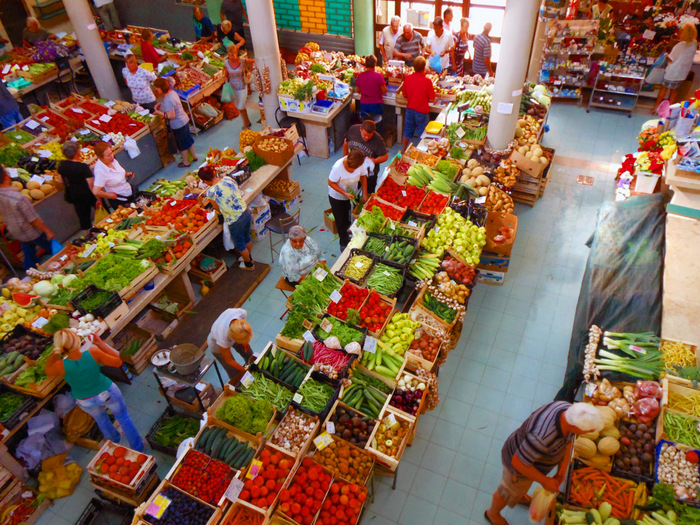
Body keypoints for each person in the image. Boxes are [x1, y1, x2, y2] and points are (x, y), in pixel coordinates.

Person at [485, 402, 605, 525]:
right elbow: (518, 463)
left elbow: (569, 439)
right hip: (517, 466)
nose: (589, 432)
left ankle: (519, 495)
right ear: (575, 427)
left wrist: (562, 467)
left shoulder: (568, 410)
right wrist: (544, 481)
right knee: (506, 492)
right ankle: (492, 514)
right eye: (588, 430)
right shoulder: (542, 438)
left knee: (518, 488)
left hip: (531, 459)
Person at [45, 329, 144, 452]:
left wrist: (56, 351)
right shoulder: (92, 352)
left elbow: (47, 370)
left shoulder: (60, 365)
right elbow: (117, 362)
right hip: (107, 392)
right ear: (77, 341)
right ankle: (138, 447)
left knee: (101, 420)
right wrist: (100, 343)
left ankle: (115, 442)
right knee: (123, 418)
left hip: (85, 401)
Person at [197, 165, 255, 270]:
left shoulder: (210, 192)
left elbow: (217, 208)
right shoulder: (228, 178)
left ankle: (249, 264)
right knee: (247, 237)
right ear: (214, 173)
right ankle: (249, 257)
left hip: (235, 221)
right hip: (245, 212)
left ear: (204, 181)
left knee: (240, 245)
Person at [0, 165, 55, 270]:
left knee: (29, 254)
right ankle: (65, 261)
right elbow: (32, 219)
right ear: (6, 177)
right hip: (31, 231)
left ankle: (31, 273)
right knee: (53, 248)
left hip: (17, 232)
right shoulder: (19, 197)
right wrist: (47, 231)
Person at [327, 150, 370, 252]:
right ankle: (343, 243)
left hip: (351, 194)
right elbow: (331, 182)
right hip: (337, 197)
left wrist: (364, 193)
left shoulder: (360, 163)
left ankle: (350, 236)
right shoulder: (338, 167)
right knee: (340, 221)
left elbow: (363, 176)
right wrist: (344, 193)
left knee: (348, 216)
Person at [153, 77, 197, 168]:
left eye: (157, 87)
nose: (156, 89)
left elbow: (171, 116)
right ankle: (194, 156)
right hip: (183, 119)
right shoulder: (172, 93)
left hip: (178, 124)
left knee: (182, 144)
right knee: (188, 139)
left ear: (162, 87)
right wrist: (161, 104)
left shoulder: (168, 100)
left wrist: (158, 112)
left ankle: (185, 162)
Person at [656, 23, 698, 109]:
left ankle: (656, 107)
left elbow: (671, 59)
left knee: (663, 89)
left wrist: (665, 53)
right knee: (674, 92)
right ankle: (670, 109)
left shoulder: (680, 45)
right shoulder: (694, 43)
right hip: (682, 73)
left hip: (672, 72)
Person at [57, 141, 96, 234]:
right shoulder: (83, 167)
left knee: (83, 218)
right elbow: (91, 185)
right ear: (77, 152)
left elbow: (60, 181)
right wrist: (97, 198)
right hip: (87, 194)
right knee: (101, 210)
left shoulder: (62, 165)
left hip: (74, 195)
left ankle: (87, 237)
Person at [207, 308, 253, 382]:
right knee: (234, 371)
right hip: (216, 345)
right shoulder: (222, 337)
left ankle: (253, 366)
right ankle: (237, 381)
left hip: (233, 332)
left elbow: (244, 332)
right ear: (234, 338)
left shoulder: (241, 313)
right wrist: (245, 371)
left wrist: (245, 343)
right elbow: (229, 360)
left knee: (249, 353)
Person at [343, 120, 388, 195]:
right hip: (354, 169)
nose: (366, 138)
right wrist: (344, 159)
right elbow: (345, 143)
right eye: (365, 135)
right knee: (354, 191)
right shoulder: (353, 130)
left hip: (369, 173)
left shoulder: (378, 141)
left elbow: (385, 156)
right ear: (361, 129)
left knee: (368, 192)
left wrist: (374, 160)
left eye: (369, 136)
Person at [400, 56, 436, 152]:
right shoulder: (427, 81)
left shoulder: (407, 79)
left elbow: (404, 94)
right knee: (422, 134)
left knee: (407, 131)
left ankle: (403, 151)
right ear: (424, 68)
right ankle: (422, 153)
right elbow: (432, 99)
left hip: (410, 110)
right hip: (422, 112)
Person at [92, 142, 135, 211]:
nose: (112, 156)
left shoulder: (112, 160)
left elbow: (117, 174)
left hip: (129, 193)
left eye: (111, 153)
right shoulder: (100, 171)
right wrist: (110, 195)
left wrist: (126, 174)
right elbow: (96, 191)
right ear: (100, 158)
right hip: (119, 201)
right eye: (108, 155)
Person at [224, 43, 253, 129]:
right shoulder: (226, 62)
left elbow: (254, 62)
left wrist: (249, 71)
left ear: (236, 53)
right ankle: (247, 122)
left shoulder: (242, 61)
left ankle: (246, 123)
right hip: (233, 88)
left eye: (232, 55)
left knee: (240, 106)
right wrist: (226, 81)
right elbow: (226, 74)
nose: (231, 57)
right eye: (229, 55)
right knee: (240, 106)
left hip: (242, 87)